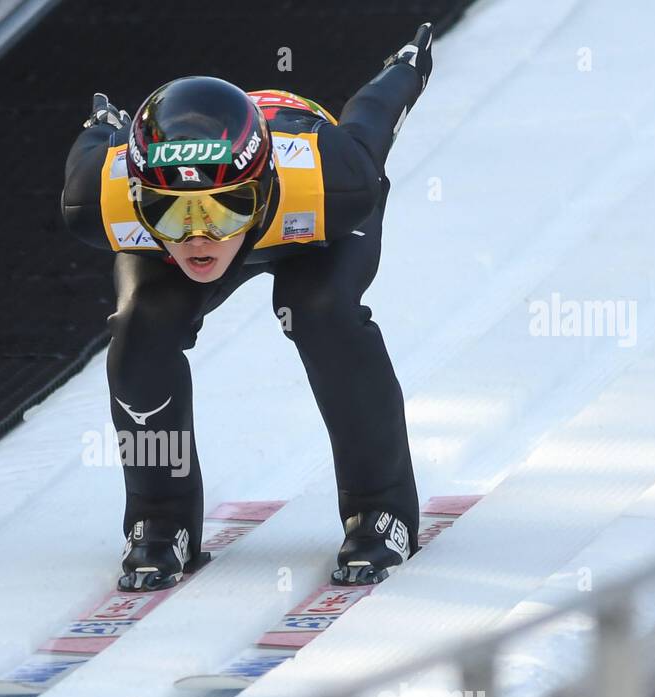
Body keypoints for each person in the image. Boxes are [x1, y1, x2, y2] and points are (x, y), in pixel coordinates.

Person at [60, 24, 434, 592]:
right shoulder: (100, 198)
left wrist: (404, 68)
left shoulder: (331, 181)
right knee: (141, 327)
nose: (199, 238)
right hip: (261, 204)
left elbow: (372, 119)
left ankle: (380, 505)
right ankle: (158, 518)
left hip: (310, 228)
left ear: (260, 191)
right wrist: (104, 126)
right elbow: (96, 150)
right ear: (138, 199)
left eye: (225, 209)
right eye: (171, 214)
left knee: (319, 309)